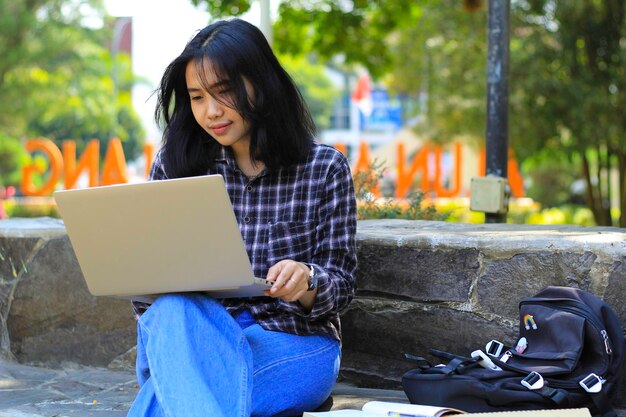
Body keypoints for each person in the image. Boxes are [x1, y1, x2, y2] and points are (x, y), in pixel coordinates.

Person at [127, 18, 357, 417]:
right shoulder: (176, 164)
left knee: (175, 399)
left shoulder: (323, 168)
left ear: (261, 84)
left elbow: (341, 286)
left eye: (224, 91)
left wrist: (306, 280)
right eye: (197, 97)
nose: (211, 111)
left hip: (294, 342)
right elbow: (150, 297)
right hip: (194, 336)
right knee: (173, 309)